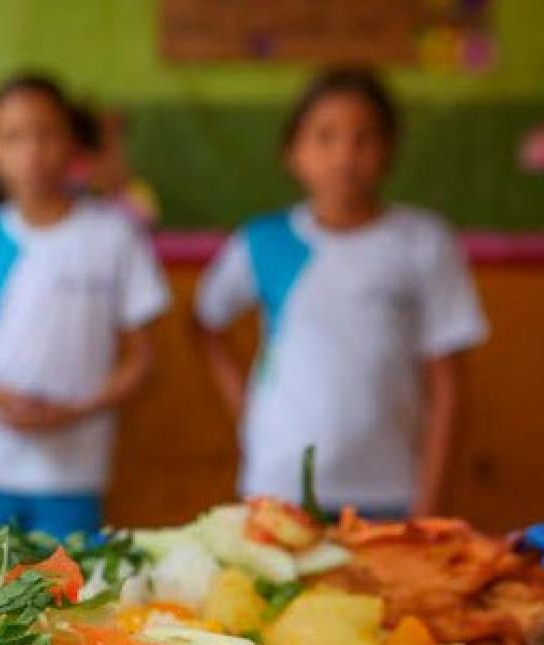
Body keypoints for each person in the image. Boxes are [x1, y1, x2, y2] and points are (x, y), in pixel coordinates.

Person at [194, 68, 487, 518]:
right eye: (325, 137)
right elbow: (205, 324)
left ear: (389, 149)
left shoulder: (424, 241)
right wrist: (246, 408)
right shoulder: (261, 241)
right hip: (279, 484)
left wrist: (430, 503)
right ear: (294, 152)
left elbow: (448, 385)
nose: (345, 155)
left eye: (364, 138)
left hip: (389, 488)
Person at [0, 73, 167, 559]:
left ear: (72, 141)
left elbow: (142, 355)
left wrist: (77, 410)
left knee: (66, 615)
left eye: (47, 132)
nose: (32, 150)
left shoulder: (112, 237)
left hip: (71, 472)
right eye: (14, 136)